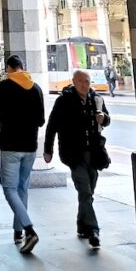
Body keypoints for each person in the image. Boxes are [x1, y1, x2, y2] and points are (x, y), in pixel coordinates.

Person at [43, 68, 110, 250]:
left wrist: (102, 118)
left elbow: (107, 119)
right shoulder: (64, 101)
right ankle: (93, 232)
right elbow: (52, 126)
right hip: (74, 154)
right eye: (81, 81)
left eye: (87, 81)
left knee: (88, 192)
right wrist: (48, 149)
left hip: (94, 154)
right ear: (73, 82)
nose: (85, 85)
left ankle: (82, 225)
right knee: (85, 191)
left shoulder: (96, 99)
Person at [0, 53, 45, 254]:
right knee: (22, 188)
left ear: (9, 68)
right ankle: (18, 230)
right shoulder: (36, 88)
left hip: (10, 145)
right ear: (23, 67)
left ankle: (29, 230)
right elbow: (41, 120)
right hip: (30, 146)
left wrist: (8, 115)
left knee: (9, 189)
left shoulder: (4, 87)